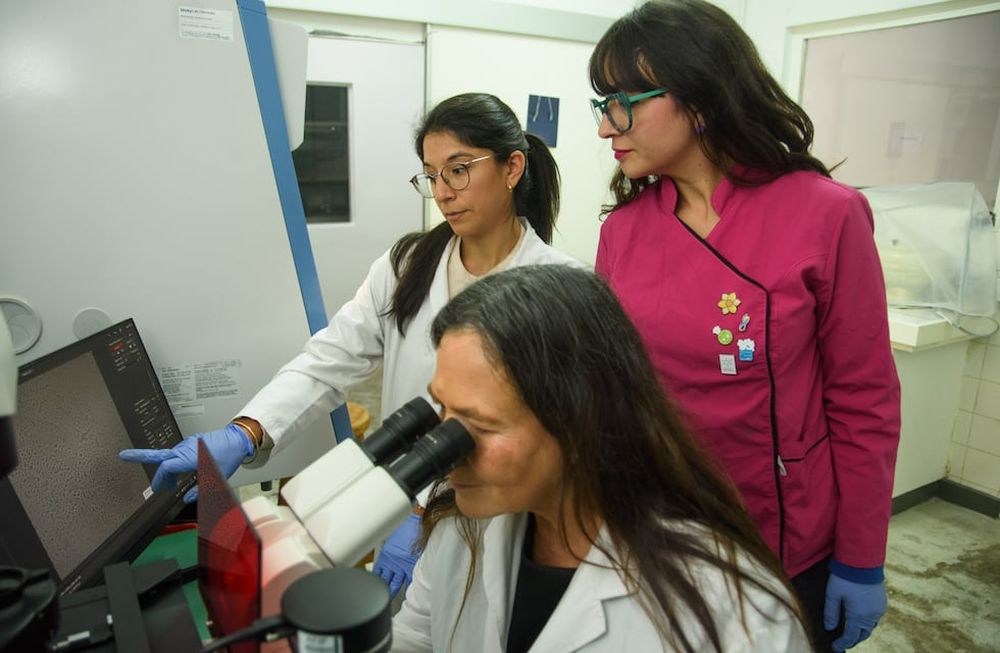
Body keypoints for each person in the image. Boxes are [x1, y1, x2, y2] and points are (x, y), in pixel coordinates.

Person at [120, 92, 584, 598]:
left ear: (512, 167)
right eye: (431, 175)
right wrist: (247, 431)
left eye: (458, 171)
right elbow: (331, 358)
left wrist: (430, 508)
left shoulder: (561, 288)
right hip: (396, 505)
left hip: (497, 522)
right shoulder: (408, 265)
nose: (443, 192)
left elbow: (539, 432)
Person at [587, 2, 901, 652]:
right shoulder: (623, 231)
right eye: (602, 104)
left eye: (622, 103)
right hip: (663, 526)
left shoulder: (826, 215)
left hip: (786, 538)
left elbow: (864, 398)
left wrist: (861, 555)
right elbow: (613, 391)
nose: (604, 126)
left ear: (700, 99)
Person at [391, 264, 810, 652]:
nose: (447, 453)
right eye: (442, 409)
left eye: (479, 425)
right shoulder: (462, 533)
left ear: (579, 423)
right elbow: (413, 641)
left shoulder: (734, 616)